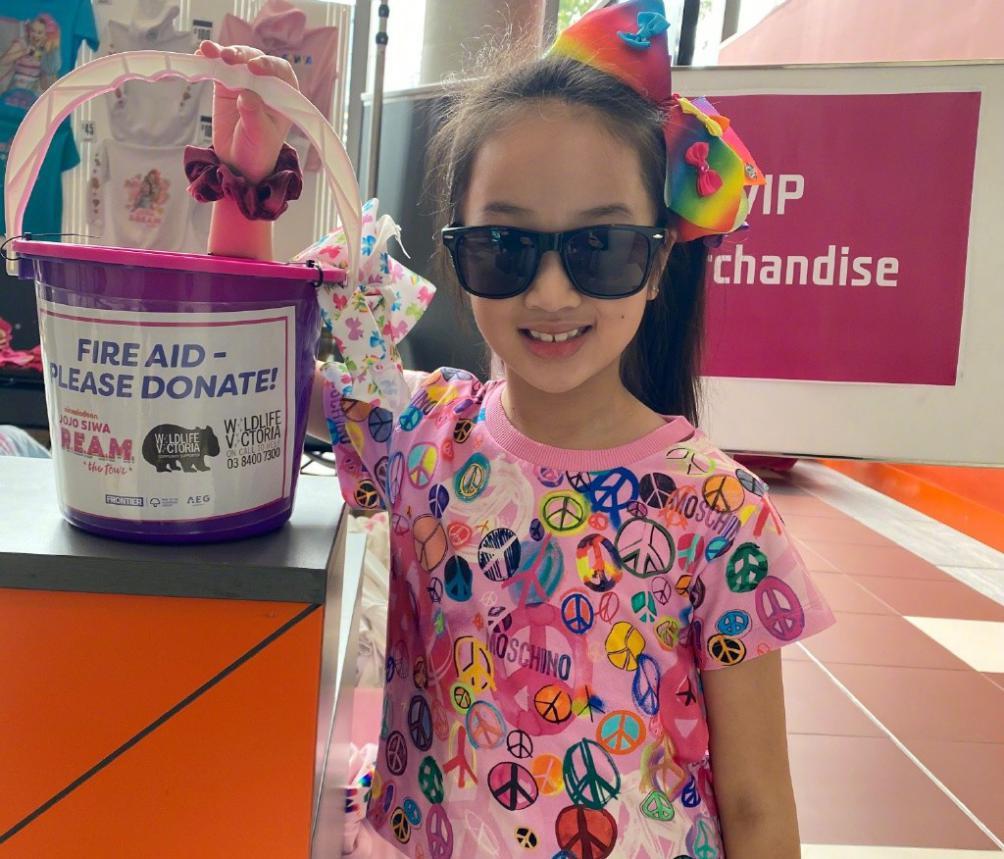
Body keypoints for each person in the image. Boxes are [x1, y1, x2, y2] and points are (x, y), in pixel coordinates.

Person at [195, 1, 835, 855]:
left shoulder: (722, 511)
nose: (551, 292)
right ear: (459, 256)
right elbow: (248, 372)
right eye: (505, 245)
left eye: (601, 248)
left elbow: (756, 804)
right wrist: (247, 180)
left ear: (657, 262)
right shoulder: (419, 432)